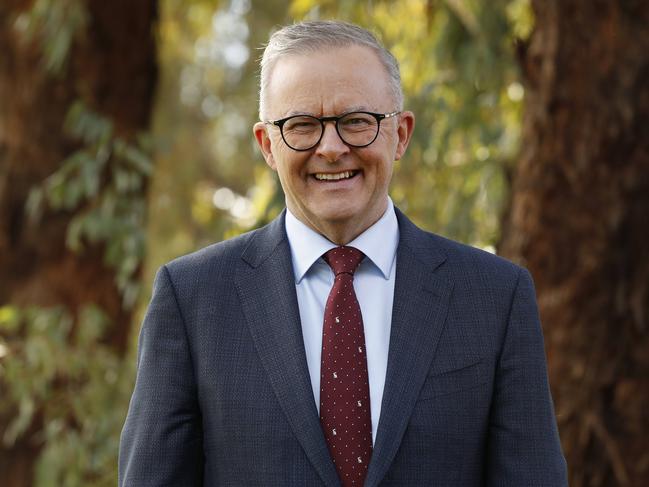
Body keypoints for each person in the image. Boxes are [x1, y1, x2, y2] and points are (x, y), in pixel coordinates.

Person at [119, 20, 567, 486]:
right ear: (267, 145)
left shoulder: (496, 297)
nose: (331, 149)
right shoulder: (193, 299)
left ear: (401, 134)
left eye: (356, 122)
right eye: (302, 126)